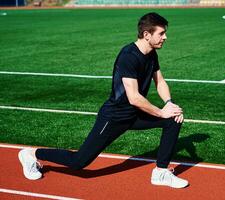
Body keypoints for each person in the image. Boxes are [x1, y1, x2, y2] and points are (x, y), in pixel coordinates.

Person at [18, 12, 188, 189]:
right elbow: (134, 98)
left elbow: (159, 81)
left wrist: (169, 103)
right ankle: (31, 153)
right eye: (161, 33)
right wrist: (161, 111)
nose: (165, 37)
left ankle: (160, 173)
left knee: (173, 119)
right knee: (79, 162)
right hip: (115, 117)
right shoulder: (128, 56)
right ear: (147, 34)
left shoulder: (151, 54)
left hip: (135, 115)